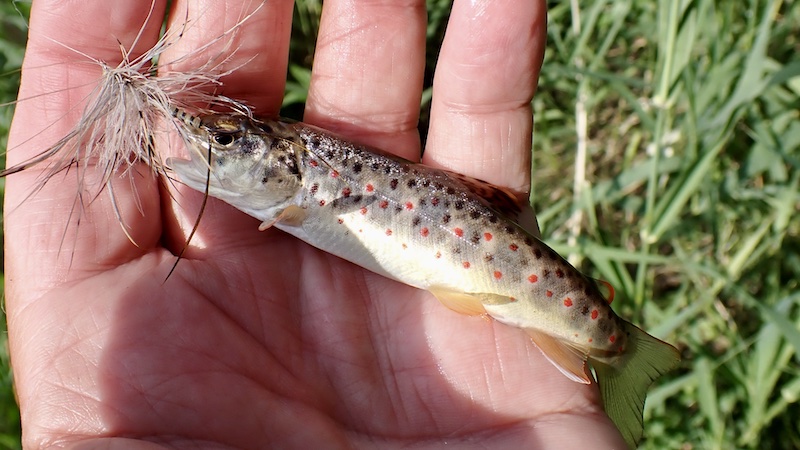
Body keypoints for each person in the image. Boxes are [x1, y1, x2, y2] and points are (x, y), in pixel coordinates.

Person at [5, 1, 627, 448]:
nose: (205, 146)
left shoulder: (301, 186)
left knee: (567, 326)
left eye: (223, 141)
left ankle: (619, 349)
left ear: (291, 172)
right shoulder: (286, 194)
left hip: (498, 260)